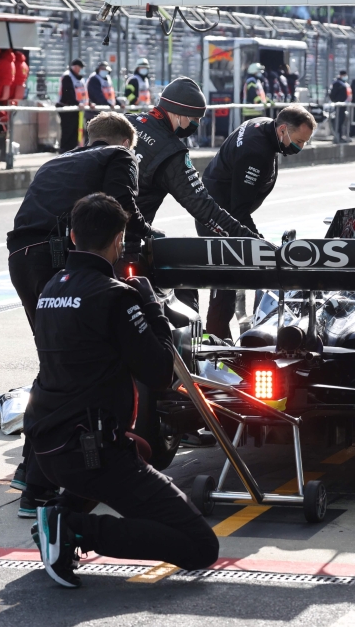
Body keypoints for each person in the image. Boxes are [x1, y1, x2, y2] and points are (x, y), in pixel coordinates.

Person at [27, 193, 219, 588]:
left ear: (73, 236)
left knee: (143, 449)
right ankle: (72, 529)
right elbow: (160, 374)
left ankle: (59, 514)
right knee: (201, 547)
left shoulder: (49, 288)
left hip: (49, 445)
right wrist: (152, 308)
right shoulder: (115, 295)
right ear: (118, 240)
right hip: (91, 452)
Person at [7, 112, 146, 515]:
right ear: (123, 143)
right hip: (55, 256)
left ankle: (32, 469)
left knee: (53, 363)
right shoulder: (119, 157)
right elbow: (123, 210)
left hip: (22, 258)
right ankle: (44, 474)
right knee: (74, 367)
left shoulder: (58, 160)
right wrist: (146, 245)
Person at [197, 105, 317, 338]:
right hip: (218, 214)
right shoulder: (256, 152)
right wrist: (262, 245)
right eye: (300, 141)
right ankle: (216, 342)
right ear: (283, 129)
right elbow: (238, 211)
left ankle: (222, 335)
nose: (301, 147)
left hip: (221, 203)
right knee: (225, 281)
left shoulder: (264, 125)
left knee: (233, 277)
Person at [131, 76, 258, 240]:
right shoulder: (171, 153)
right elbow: (203, 207)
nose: (196, 124)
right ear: (179, 113)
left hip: (90, 223)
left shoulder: (127, 121)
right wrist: (251, 240)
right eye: (195, 118)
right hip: (123, 241)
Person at [57, 59, 88, 153]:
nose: (81, 69)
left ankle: (72, 152)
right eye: (80, 67)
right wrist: (78, 104)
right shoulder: (67, 77)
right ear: (75, 67)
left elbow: (84, 94)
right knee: (68, 132)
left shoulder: (80, 78)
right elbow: (68, 94)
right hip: (67, 109)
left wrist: (88, 103)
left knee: (76, 132)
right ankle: (64, 152)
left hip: (76, 109)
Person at [329, 69, 351, 142]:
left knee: (341, 121)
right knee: (338, 120)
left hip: (343, 105)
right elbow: (332, 94)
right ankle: (337, 136)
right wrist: (336, 101)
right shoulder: (337, 83)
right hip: (339, 105)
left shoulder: (343, 83)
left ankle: (340, 136)